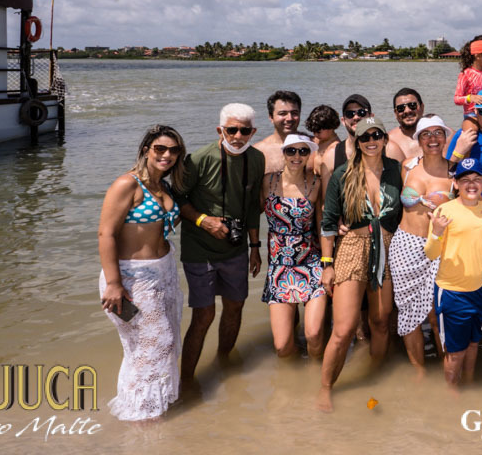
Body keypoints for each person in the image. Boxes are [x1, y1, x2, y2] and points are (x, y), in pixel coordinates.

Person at [97, 124, 185, 420]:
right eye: (160, 149)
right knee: (152, 344)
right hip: (132, 277)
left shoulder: (165, 185)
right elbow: (105, 234)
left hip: (164, 272)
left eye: (174, 150)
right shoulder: (127, 184)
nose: (167, 155)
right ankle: (139, 417)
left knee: (166, 342)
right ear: (146, 149)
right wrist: (113, 283)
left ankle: (157, 409)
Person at [176, 104, 265, 384]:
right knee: (204, 315)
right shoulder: (199, 159)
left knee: (236, 305)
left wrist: (254, 247)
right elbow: (177, 199)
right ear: (220, 130)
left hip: (236, 249)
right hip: (199, 249)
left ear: (253, 132)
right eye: (232, 130)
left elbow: (252, 206)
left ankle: (223, 363)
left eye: (244, 131)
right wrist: (204, 220)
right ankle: (186, 381)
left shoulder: (257, 159)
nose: (238, 136)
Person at [319, 116, 402, 392]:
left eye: (376, 135)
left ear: (384, 139)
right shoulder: (342, 174)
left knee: (380, 321)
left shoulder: (396, 170)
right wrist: (328, 265)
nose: (371, 141)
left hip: (387, 249)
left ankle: (374, 376)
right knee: (343, 329)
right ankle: (326, 388)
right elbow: (328, 223)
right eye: (365, 137)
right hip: (352, 247)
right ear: (357, 141)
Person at [425, 159, 482, 388]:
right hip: (451, 292)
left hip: (479, 290)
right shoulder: (443, 211)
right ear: (455, 183)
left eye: (477, 179)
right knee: (455, 352)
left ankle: (468, 384)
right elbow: (430, 253)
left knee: (473, 343)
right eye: (465, 179)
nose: (471, 184)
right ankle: (452, 396)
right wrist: (437, 232)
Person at [391, 115, 454, 372]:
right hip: (405, 245)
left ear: (445, 137)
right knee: (407, 313)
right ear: (418, 139)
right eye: (426, 134)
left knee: (438, 313)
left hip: (438, 246)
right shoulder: (407, 166)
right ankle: (419, 372)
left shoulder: (454, 171)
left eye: (438, 133)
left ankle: (447, 367)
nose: (432, 139)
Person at [260, 133, 326, 360]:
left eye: (303, 151)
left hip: (311, 263)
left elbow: (322, 226)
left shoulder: (316, 183)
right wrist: (253, 247)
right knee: (282, 347)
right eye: (291, 151)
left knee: (314, 334)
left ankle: (315, 374)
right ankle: (293, 383)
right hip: (280, 267)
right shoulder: (268, 181)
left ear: (309, 154)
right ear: (283, 153)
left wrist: (328, 263)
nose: (297, 156)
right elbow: (251, 214)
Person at [323, 94, 404, 179]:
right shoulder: (331, 156)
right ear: (343, 121)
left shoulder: (390, 150)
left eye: (362, 112)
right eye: (350, 114)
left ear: (371, 117)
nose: (356, 117)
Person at [255, 90, 301, 173]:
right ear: (271, 117)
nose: (289, 118)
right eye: (283, 113)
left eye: (294, 113)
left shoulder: (312, 147)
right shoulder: (259, 152)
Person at [389, 87, 425, 161]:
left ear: (422, 107)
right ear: (395, 113)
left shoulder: (440, 136)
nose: (407, 111)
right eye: (401, 108)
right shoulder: (387, 140)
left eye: (412, 105)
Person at [305, 104, 341, 173]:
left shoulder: (336, 148)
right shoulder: (316, 139)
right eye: (313, 131)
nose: (315, 134)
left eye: (318, 132)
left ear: (330, 127)